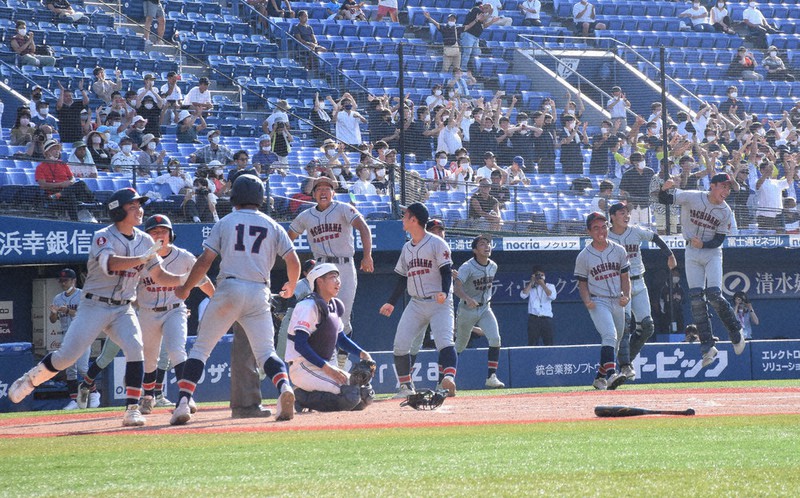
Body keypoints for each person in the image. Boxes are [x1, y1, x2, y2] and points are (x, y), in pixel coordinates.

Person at [9, 188, 188, 426]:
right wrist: (141, 259)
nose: (139, 210)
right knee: (66, 357)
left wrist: (186, 279)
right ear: (118, 211)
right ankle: (31, 379)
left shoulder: (145, 240)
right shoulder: (103, 236)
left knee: (137, 349)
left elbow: (160, 275)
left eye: (139, 206)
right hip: (95, 305)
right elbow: (110, 264)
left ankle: (132, 409)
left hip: (123, 308)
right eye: (132, 206)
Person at [170, 175, 300, 425]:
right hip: (259, 292)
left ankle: (184, 402)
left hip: (230, 286)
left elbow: (205, 261)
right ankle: (284, 387)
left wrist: (187, 288)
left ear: (235, 197)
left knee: (200, 350)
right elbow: (293, 261)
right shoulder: (273, 225)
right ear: (260, 198)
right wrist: (291, 285)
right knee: (266, 353)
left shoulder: (226, 222)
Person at [657, 173, 746, 367]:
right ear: (712, 186)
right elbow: (664, 199)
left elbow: (719, 240)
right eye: (723, 186)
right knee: (696, 299)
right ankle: (707, 346)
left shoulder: (725, 211)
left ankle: (735, 330)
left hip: (712, 252)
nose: (726, 191)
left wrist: (703, 244)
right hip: (691, 251)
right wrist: (664, 188)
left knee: (714, 294)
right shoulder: (692, 196)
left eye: (729, 188)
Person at [288, 176, 374, 369]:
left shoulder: (343, 208)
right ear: (313, 194)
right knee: (319, 315)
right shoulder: (306, 216)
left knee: (342, 316)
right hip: (320, 268)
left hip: (343, 266)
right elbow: (289, 238)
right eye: (319, 189)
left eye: (328, 188)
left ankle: (340, 358)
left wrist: (367, 255)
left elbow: (363, 227)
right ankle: (322, 358)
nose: (323, 191)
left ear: (333, 193)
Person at [135, 215, 216, 415]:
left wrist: (217, 300)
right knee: (149, 357)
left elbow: (203, 281)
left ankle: (185, 397)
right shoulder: (140, 259)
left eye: (163, 231)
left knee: (176, 351)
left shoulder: (185, 256)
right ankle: (148, 396)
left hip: (175, 309)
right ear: (147, 236)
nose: (159, 235)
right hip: (148, 311)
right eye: (154, 232)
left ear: (171, 234)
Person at [379, 202, 458, 398]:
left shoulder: (437, 243)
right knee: (400, 344)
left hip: (438, 302)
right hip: (416, 303)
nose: (402, 219)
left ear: (414, 220)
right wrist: (391, 302)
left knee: (444, 341)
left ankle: (449, 379)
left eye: (405, 216)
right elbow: (402, 278)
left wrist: (444, 292)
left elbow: (446, 271)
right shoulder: (407, 248)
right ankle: (406, 387)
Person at [285, 263, 375, 412]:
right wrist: (328, 369)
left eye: (337, 277)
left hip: (322, 366)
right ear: (319, 281)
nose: (338, 281)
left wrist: (362, 353)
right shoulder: (308, 306)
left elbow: (341, 339)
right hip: (302, 366)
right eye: (332, 277)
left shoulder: (333, 305)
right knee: (350, 396)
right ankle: (302, 397)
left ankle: (306, 394)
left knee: (365, 395)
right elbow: (300, 344)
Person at [607, 202, 676, 382]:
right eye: (622, 213)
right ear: (613, 216)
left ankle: (626, 362)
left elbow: (654, 237)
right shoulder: (605, 235)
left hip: (639, 281)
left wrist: (670, 254)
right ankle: (624, 366)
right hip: (620, 285)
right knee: (625, 324)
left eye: (627, 213)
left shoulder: (635, 231)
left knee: (647, 327)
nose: (626, 216)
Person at [574, 212, 631, 390]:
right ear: (589, 231)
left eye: (603, 226)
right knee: (609, 335)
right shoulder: (584, 255)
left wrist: (626, 295)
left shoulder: (619, 250)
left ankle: (599, 377)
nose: (601, 231)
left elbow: (625, 276)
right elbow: (582, 283)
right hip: (598, 301)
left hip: (617, 300)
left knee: (616, 339)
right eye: (596, 228)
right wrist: (587, 301)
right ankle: (612, 375)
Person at [453, 235, 505, 388]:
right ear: (475, 250)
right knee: (460, 345)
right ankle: (445, 377)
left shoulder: (493, 266)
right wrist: (467, 298)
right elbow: (457, 288)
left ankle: (491, 377)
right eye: (482, 244)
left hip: (485, 308)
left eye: (488, 243)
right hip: (466, 308)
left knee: (495, 338)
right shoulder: (467, 266)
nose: (487, 246)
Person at [49, 269, 95, 410]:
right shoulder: (57, 298)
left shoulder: (82, 295)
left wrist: (67, 311)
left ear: (73, 281)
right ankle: (74, 400)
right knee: (70, 370)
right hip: (66, 335)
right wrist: (54, 313)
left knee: (82, 368)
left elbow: (86, 314)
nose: (63, 283)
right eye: (61, 280)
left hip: (82, 334)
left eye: (66, 280)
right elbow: (52, 320)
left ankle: (94, 394)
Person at [35, 140, 96, 221]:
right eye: (54, 149)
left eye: (58, 149)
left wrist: (70, 182)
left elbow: (72, 178)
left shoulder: (63, 164)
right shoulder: (40, 167)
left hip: (65, 191)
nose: (57, 152)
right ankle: (76, 220)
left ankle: (80, 216)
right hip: (52, 193)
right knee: (70, 194)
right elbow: (42, 185)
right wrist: (61, 184)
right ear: (47, 152)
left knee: (80, 184)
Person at [276, 259, 316, 358]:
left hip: (310, 323)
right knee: (282, 353)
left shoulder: (321, 285)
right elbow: (291, 302)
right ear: (305, 273)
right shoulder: (300, 284)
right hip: (293, 319)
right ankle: (266, 373)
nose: (314, 271)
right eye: (311, 269)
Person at [520, 266, 557, 346]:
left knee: (549, 343)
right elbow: (523, 295)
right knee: (532, 343)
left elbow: (552, 296)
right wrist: (531, 282)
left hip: (546, 319)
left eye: (541, 275)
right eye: (537, 275)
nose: (540, 277)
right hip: (534, 318)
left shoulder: (550, 286)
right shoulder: (531, 287)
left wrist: (542, 284)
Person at [618, 152, 655, 226]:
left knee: (646, 227)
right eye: (640, 160)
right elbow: (623, 191)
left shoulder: (650, 172)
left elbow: (654, 187)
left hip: (646, 204)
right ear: (634, 162)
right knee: (632, 227)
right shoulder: (627, 174)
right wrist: (625, 206)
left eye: (643, 159)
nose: (642, 162)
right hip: (632, 205)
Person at [460, 2, 496, 72]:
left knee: (476, 53)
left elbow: (484, 26)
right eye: (487, 9)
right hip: (468, 34)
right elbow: (480, 19)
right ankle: (462, 69)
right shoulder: (476, 9)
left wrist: (492, 21)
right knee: (467, 52)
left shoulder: (482, 13)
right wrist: (490, 14)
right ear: (483, 7)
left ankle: (472, 69)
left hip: (475, 37)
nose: (488, 11)